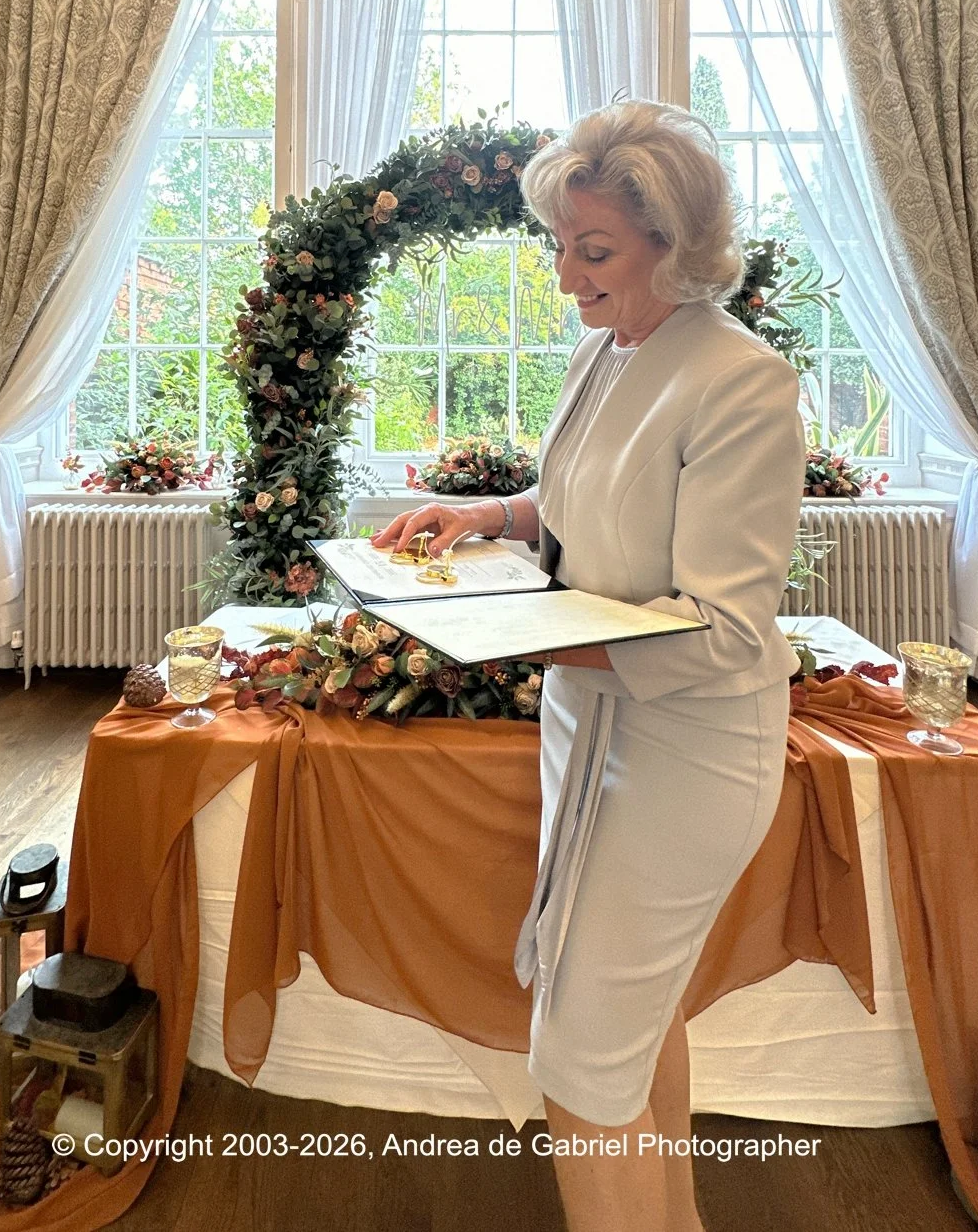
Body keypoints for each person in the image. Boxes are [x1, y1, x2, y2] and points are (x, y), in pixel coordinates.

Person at [371, 100, 806, 1232]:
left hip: (690, 752)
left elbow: (724, 626)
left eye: (594, 250)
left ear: (679, 244)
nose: (566, 275)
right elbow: (578, 511)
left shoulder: (741, 380)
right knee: (634, 1020)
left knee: (579, 1059)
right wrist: (493, 515)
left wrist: (523, 635)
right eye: (560, 245)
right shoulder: (605, 347)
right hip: (589, 722)